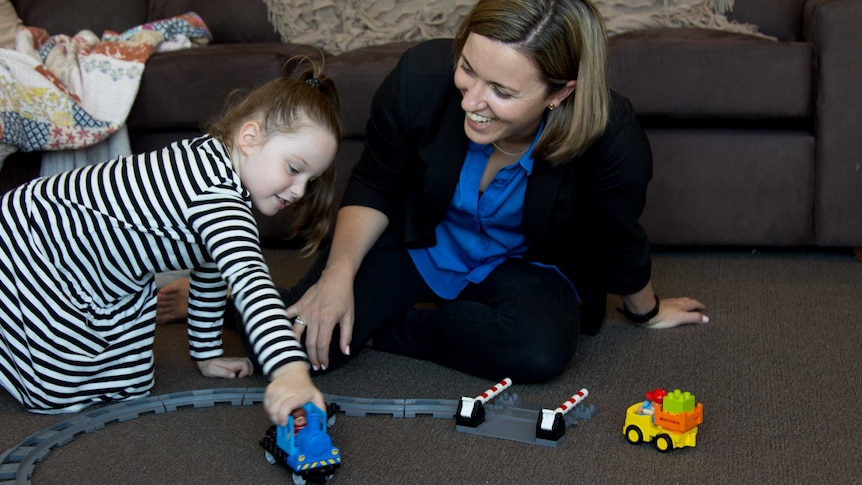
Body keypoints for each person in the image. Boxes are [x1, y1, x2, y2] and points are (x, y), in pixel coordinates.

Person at [278, 0, 708, 384]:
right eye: (468, 69)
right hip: (420, 242)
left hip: (526, 265)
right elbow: (375, 182)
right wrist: (338, 277)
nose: (471, 102)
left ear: (560, 92)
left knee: (537, 352)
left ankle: (385, 328)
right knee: (291, 347)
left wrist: (646, 311)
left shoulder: (611, 136)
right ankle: (235, 296)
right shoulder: (418, 77)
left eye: (501, 92)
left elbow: (618, 233)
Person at [0, 64, 339, 426]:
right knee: (57, 390)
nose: (299, 191)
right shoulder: (216, 196)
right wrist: (289, 368)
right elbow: (250, 283)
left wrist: (206, 354)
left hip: (102, 269)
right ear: (250, 138)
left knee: (130, 382)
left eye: (310, 180)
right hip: (34, 242)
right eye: (293, 168)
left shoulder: (221, 167)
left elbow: (211, 271)